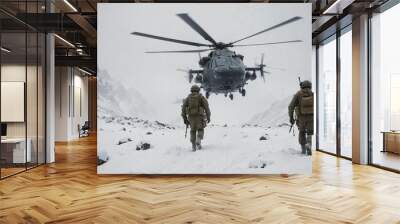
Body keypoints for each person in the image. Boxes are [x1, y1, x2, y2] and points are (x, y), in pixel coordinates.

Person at [181, 85, 211, 151]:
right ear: (198, 90)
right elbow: (206, 107)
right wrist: (208, 117)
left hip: (191, 117)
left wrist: (185, 119)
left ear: (191, 90)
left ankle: (193, 146)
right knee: (200, 129)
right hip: (199, 117)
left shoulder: (188, 98)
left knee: (193, 130)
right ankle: (199, 139)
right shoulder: (201, 97)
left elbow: (183, 108)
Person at [288, 80, 314, 155]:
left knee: (302, 132)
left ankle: (303, 149)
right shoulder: (313, 93)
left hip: (301, 118)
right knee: (310, 132)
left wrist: (291, 118)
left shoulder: (298, 94)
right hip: (312, 117)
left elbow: (291, 106)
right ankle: (309, 144)